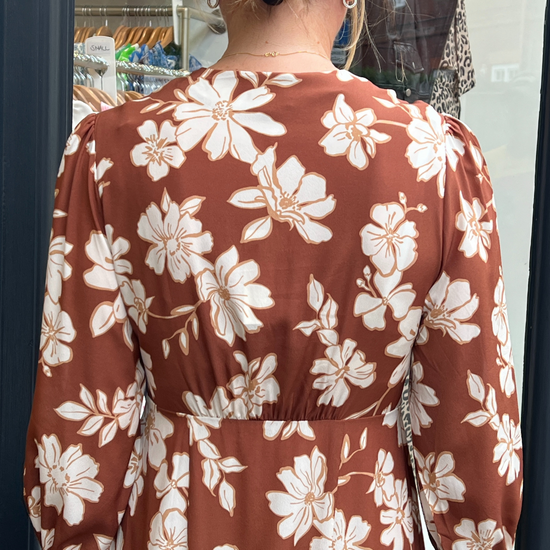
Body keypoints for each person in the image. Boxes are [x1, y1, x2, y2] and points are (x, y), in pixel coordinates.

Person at [24, 0, 523, 548]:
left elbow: (76, 447)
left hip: (180, 522)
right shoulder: (435, 160)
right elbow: (474, 438)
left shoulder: (114, 153)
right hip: (358, 524)